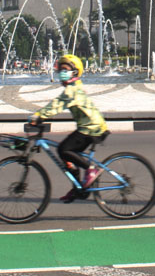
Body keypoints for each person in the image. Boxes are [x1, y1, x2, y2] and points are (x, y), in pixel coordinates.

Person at [29, 54, 109, 203]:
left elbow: (57, 105)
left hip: (91, 128)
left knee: (64, 150)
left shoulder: (72, 91)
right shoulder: (73, 88)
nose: (62, 73)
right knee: (67, 155)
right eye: (61, 70)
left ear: (75, 72)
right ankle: (77, 188)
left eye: (66, 69)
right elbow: (58, 102)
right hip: (88, 127)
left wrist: (39, 116)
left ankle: (91, 169)